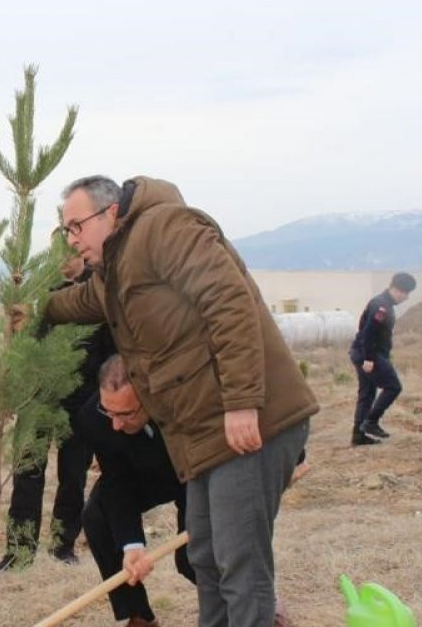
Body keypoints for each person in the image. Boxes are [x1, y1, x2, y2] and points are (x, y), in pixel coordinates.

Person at [43, 176, 314, 626]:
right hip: (206, 432)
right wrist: (36, 309)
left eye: (76, 226)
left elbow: (228, 302)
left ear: (111, 212)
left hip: (247, 423)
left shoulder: (166, 228)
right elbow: (85, 300)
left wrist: (242, 402)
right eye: (65, 229)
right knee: (205, 556)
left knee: (238, 563)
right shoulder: (117, 268)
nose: (71, 240)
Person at [0, 254, 114, 570]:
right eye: (56, 252)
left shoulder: (97, 289)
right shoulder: (37, 291)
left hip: (81, 400)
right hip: (36, 398)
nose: (62, 258)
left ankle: (63, 546)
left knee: (73, 476)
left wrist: (102, 397)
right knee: (27, 474)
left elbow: (110, 351)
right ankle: (19, 551)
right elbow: (19, 346)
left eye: (69, 250)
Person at [84, 355, 195, 627]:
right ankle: (139, 615)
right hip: (139, 475)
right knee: (97, 515)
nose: (115, 424)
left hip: (193, 472)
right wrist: (131, 544)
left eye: (125, 414)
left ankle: (255, 602)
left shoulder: (181, 398)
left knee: (192, 558)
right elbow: (116, 481)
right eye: (109, 412)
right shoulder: (94, 417)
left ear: (148, 397)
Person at [349, 272, 416, 446]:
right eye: (405, 293)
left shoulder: (383, 303)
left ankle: (358, 436)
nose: (406, 297)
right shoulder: (381, 307)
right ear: (396, 289)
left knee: (367, 394)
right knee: (393, 386)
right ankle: (371, 422)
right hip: (369, 354)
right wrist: (368, 359)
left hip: (363, 353)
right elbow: (368, 332)